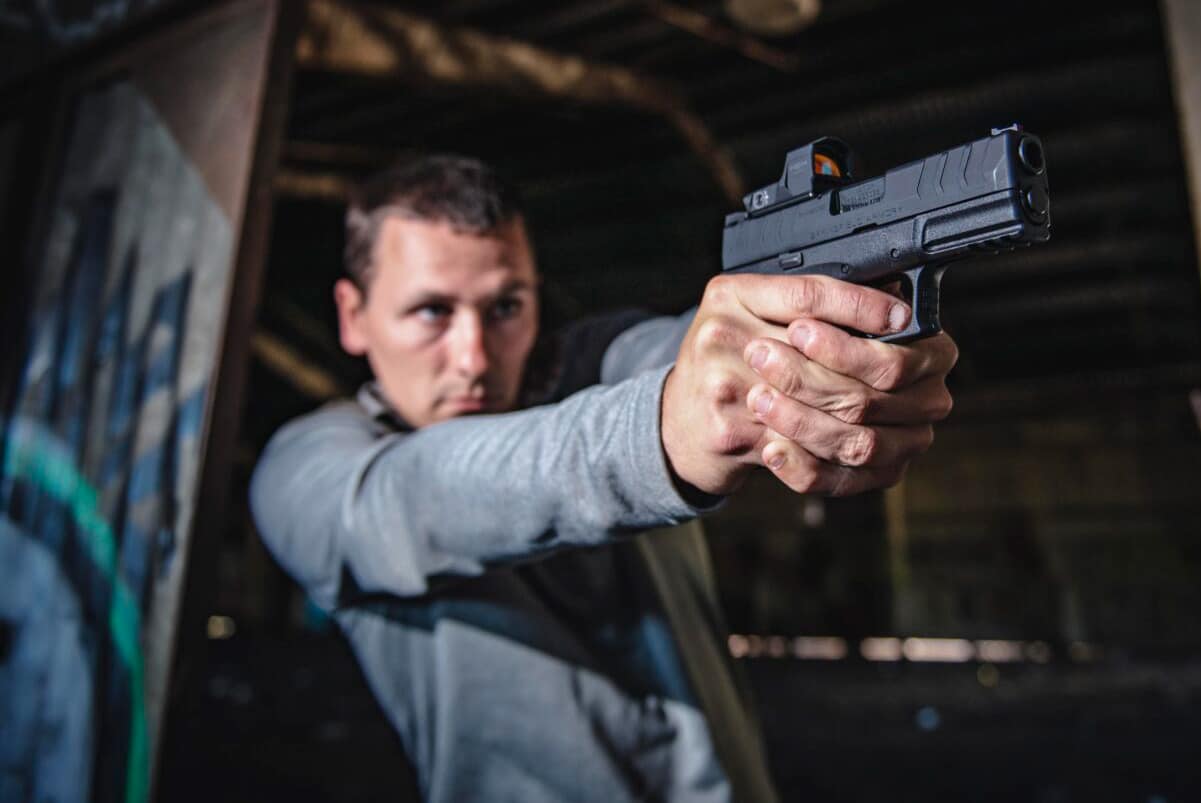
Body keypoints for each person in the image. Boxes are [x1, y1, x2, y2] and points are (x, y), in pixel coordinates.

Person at [249, 156, 957, 803]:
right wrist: (665, 426)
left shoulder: (595, 360)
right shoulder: (313, 467)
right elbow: (429, 490)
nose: (473, 356)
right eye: (431, 311)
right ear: (352, 314)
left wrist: (807, 346)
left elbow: (685, 346)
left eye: (506, 308)